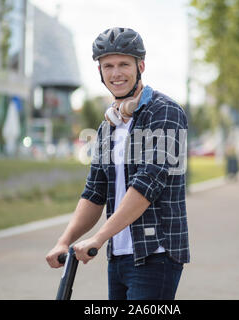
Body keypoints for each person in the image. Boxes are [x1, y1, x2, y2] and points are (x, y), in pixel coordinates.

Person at [46, 27, 190, 300]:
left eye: (124, 64)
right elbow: (94, 192)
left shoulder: (165, 112)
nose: (116, 73)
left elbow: (148, 183)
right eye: (108, 66)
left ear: (141, 66)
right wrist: (64, 241)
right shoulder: (108, 126)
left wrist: (99, 237)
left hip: (155, 252)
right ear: (100, 71)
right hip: (119, 256)